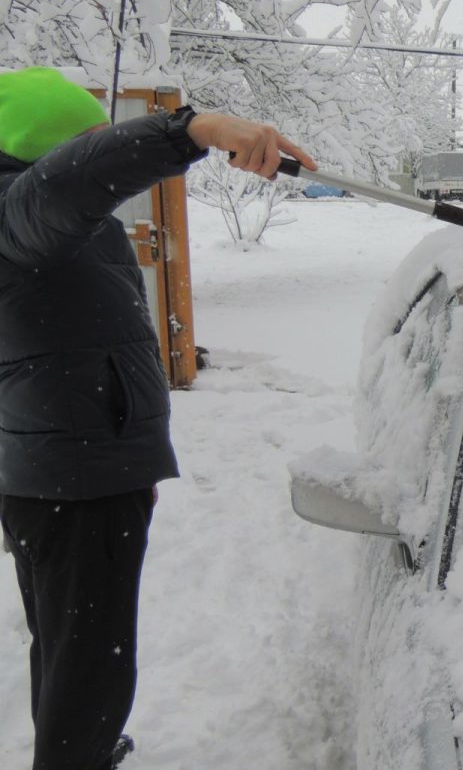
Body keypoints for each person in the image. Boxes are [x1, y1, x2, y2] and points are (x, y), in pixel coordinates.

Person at [0, 66, 316, 770]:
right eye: (87, 141)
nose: (102, 155)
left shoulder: (45, 223)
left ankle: (78, 745)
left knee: (69, 646)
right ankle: (77, 754)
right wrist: (192, 130)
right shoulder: (20, 214)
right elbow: (68, 182)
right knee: (91, 659)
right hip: (76, 473)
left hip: (69, 464)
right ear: (45, 152)